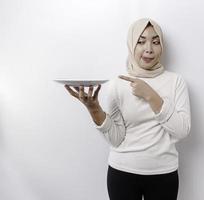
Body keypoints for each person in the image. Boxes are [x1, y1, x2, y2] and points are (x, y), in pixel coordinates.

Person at [64, 18, 191, 200]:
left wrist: (151, 96)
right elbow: (116, 139)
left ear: (162, 46)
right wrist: (94, 109)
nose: (149, 49)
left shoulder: (176, 81)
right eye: (141, 41)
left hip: (164, 174)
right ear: (131, 44)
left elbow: (182, 131)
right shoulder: (118, 84)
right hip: (122, 173)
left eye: (155, 42)